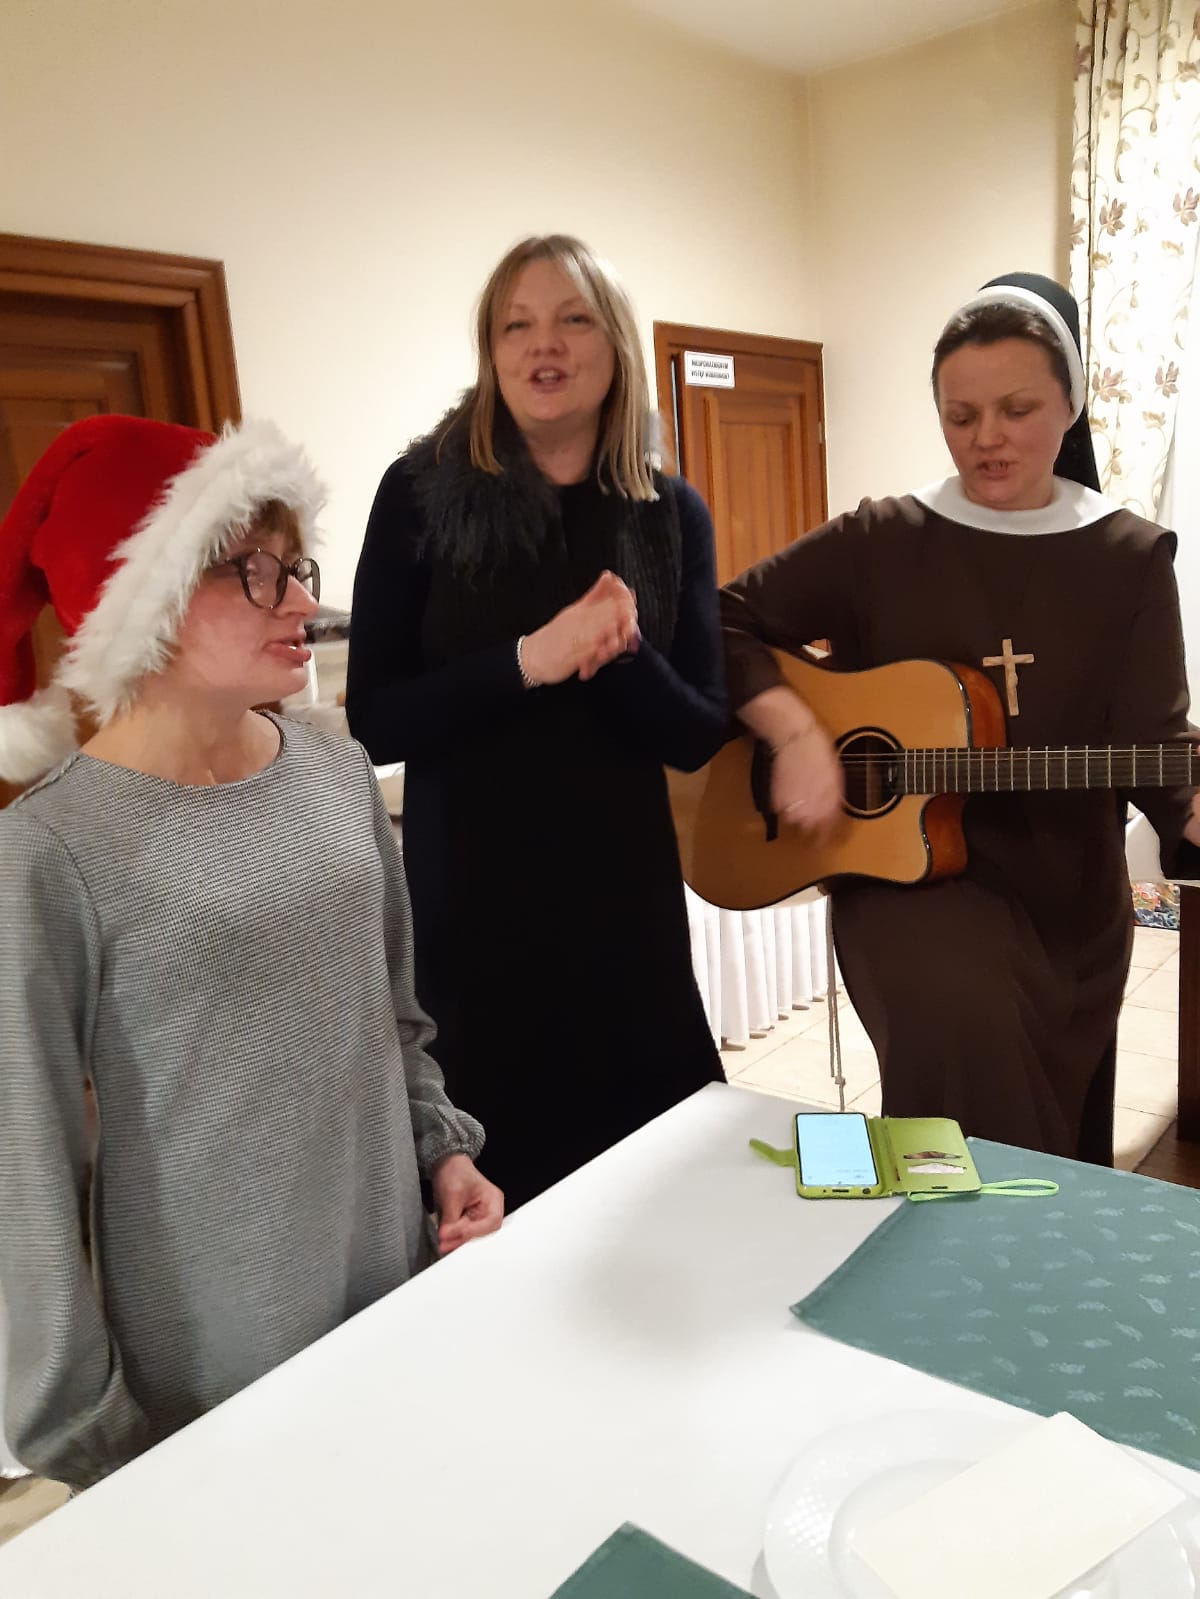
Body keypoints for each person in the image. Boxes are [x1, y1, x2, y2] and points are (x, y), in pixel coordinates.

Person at [0, 414, 502, 1490]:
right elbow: (24, 1171)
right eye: (253, 572)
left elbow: (394, 1018)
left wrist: (442, 1153)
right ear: (145, 596)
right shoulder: (50, 848)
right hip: (213, 1376)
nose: (303, 603)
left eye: (296, 567)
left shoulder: (335, 775)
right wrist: (89, 1436)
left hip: (392, 1289)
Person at [719, 272, 1200, 1166]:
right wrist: (792, 729)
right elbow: (718, 620)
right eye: (960, 414)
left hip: (1066, 900)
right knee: (959, 1035)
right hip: (905, 880)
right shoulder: (882, 539)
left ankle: (1017, 1249)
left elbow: (1159, 747)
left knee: (1050, 1143)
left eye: (1017, 409)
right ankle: (963, 1244)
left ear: (1071, 406)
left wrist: (1190, 810)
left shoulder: (1129, 557)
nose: (987, 438)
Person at [347, 234, 728, 1208]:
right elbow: (375, 720)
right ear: (490, 350)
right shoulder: (420, 496)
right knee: (500, 1203)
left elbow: (697, 732)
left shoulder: (667, 512)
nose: (542, 345)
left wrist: (621, 653)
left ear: (615, 344)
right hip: (475, 909)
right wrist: (530, 660)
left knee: (659, 1190)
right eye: (516, 325)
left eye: (572, 319)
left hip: (624, 911)